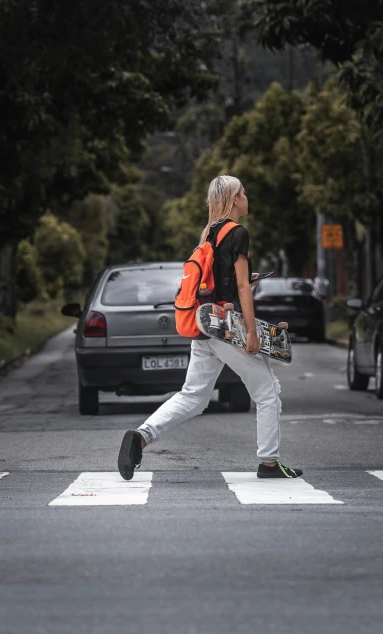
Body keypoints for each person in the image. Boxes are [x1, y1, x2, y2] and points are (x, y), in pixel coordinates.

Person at [117, 175, 303, 481]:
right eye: (242, 192)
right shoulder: (239, 233)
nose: (246, 196)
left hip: (206, 322)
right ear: (233, 200)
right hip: (228, 327)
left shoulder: (210, 234)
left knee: (194, 396)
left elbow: (223, 280)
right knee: (268, 392)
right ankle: (269, 463)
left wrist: (244, 280)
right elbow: (241, 286)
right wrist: (253, 334)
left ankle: (140, 437)